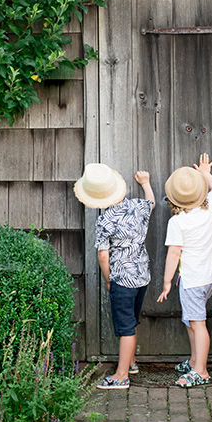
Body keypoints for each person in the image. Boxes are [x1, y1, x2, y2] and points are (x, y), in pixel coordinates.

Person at [77, 145, 153, 389]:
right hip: (142, 275)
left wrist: (109, 279)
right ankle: (130, 362)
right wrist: (146, 182)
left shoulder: (105, 220)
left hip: (122, 278)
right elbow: (151, 202)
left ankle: (121, 376)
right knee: (131, 320)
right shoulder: (138, 207)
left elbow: (102, 255)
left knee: (125, 325)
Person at [164, 142, 212, 386]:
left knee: (198, 325)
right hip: (208, 279)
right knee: (191, 320)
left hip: (192, 281)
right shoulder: (207, 211)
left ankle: (201, 371)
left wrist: (166, 282)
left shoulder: (177, 222)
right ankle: (195, 360)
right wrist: (206, 174)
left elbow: (173, 254)